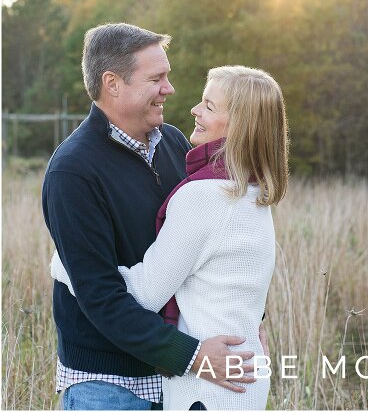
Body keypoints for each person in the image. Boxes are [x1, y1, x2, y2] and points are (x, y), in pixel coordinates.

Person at [43, 24, 258, 410]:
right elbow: (102, 299)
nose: (169, 88)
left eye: (168, 76)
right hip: (110, 386)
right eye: (156, 78)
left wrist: (249, 314)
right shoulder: (73, 172)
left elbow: (219, 237)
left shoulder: (176, 143)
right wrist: (192, 355)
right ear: (112, 84)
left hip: (180, 385)